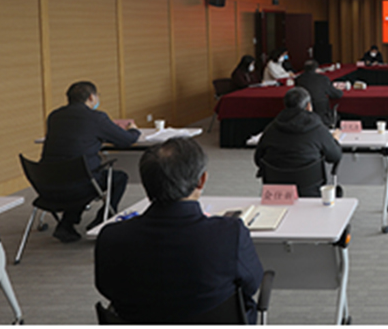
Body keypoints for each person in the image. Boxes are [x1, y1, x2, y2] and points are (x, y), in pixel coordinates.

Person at [95, 137, 264, 323]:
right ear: (201, 180)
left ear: (146, 182)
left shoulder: (111, 237)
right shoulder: (230, 234)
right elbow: (252, 284)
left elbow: (106, 288)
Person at [41, 81, 139, 242]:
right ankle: (101, 220)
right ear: (92, 97)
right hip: (80, 183)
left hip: (47, 184)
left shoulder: (54, 116)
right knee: (117, 178)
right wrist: (133, 129)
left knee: (76, 173)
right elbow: (127, 140)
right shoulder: (96, 118)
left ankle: (66, 224)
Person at [253, 88, 342, 196]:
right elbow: (334, 156)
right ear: (308, 106)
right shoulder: (317, 128)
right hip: (310, 192)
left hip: (276, 192)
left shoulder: (271, 129)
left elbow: (258, 159)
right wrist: (334, 140)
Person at [295, 59, 344, 127]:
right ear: (317, 69)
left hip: (304, 116)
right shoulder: (323, 79)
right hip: (322, 116)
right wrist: (338, 89)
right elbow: (337, 94)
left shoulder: (298, 79)